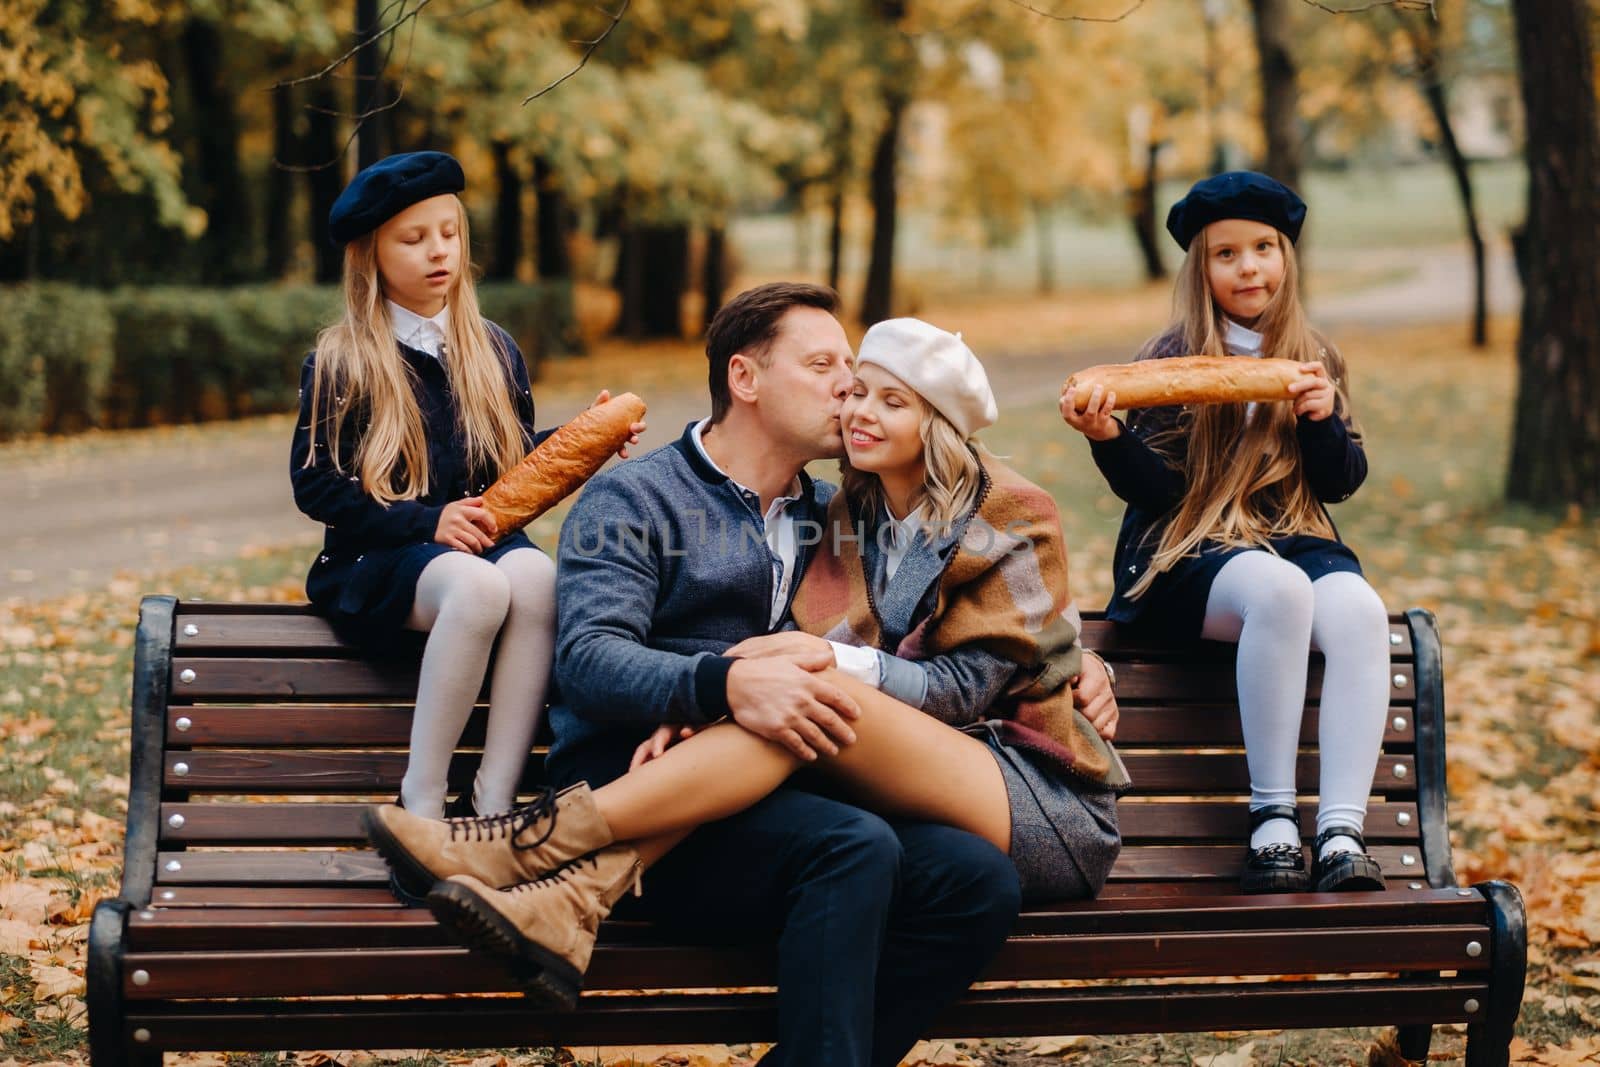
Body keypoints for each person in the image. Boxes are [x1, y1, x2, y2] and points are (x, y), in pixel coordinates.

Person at [366, 285, 1119, 1066]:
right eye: (827, 366)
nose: (846, 390)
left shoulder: (837, 513)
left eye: (859, 378)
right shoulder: (638, 494)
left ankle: (555, 874)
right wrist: (718, 687)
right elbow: (588, 661)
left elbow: (940, 635)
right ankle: (546, 853)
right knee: (855, 845)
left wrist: (1075, 662)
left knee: (975, 880)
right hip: (643, 777)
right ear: (745, 378)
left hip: (789, 773)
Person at [291, 151, 642, 860]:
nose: (437, 251)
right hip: (380, 556)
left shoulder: (493, 350)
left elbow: (508, 465)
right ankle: (421, 803)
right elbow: (317, 486)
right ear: (371, 255)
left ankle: (493, 800)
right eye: (413, 238)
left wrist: (583, 437)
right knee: (481, 586)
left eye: (447, 232)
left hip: (474, 543)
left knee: (539, 578)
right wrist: (429, 522)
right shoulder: (344, 359)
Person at [1059, 171, 1389, 895]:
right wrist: (1110, 435)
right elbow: (1158, 490)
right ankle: (1272, 818)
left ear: (1286, 258)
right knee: (1278, 591)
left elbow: (1339, 482)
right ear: (1201, 269)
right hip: (1190, 549)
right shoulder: (1169, 354)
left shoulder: (1315, 356)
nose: (1249, 267)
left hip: (1289, 533)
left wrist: (1321, 417)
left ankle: (1340, 829)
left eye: (1264, 248)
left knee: (1360, 609)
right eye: (1227, 253)